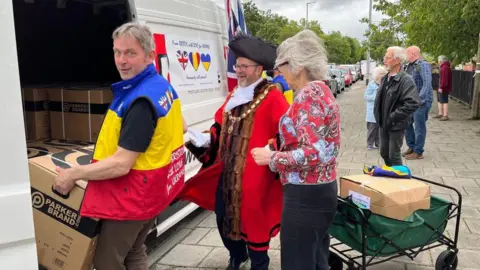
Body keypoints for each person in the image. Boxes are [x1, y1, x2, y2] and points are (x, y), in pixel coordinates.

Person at [53, 22, 185, 269]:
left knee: (107, 262)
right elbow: (183, 126)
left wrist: (73, 174)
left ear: (149, 56)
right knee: (134, 251)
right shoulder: (161, 86)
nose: (121, 61)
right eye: (117, 52)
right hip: (154, 191)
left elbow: (122, 165)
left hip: (131, 197)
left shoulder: (140, 100)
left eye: (130, 53)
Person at [178, 33, 290, 270]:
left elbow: (289, 133)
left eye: (244, 66)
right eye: (237, 65)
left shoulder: (272, 96)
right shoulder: (233, 96)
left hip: (255, 178)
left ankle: (260, 263)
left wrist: (271, 150)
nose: (238, 70)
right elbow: (219, 128)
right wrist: (198, 137)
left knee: (255, 224)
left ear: (259, 69)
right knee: (223, 218)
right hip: (227, 175)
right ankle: (237, 255)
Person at [251, 29, 341, 270]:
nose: (277, 71)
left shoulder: (308, 96)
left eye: (280, 64)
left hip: (305, 194)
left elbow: (315, 153)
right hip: (322, 190)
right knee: (316, 259)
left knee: (297, 262)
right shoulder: (321, 90)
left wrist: (272, 158)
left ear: (298, 65)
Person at [374, 46, 420, 166]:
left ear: (397, 60)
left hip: (395, 124)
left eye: (387, 58)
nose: (384, 60)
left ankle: (400, 178)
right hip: (383, 123)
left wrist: (393, 116)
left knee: (393, 154)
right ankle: (392, 174)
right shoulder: (385, 78)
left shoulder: (406, 80)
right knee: (384, 152)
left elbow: (413, 102)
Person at [403, 46, 433, 159]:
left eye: (407, 53)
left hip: (422, 101)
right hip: (411, 101)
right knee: (407, 123)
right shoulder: (409, 66)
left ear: (413, 53)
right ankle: (411, 147)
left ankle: (418, 151)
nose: (405, 56)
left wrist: (419, 99)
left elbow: (427, 84)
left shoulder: (423, 65)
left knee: (419, 127)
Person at [364, 66, 387, 150]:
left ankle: (378, 143)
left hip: (382, 111)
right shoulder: (372, 84)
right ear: (377, 75)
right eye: (381, 73)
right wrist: (377, 96)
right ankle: (370, 143)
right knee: (372, 128)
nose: (383, 75)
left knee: (380, 128)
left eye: (384, 73)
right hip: (372, 112)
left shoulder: (386, 83)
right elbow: (366, 96)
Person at [435, 55, 452, 121]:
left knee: (444, 101)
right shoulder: (444, 67)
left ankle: (445, 115)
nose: (438, 61)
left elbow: (444, 79)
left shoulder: (445, 67)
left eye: (439, 60)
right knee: (440, 100)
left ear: (441, 60)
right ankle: (440, 113)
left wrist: (441, 87)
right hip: (441, 86)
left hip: (443, 87)